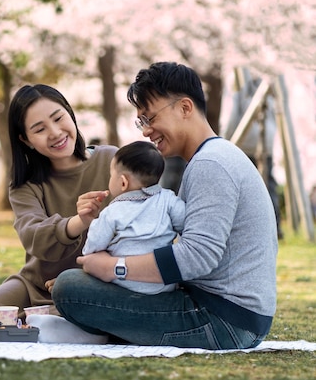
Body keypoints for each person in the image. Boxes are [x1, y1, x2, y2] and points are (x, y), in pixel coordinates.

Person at [52, 62, 278, 350]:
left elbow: (197, 257)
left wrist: (115, 268)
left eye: (150, 118)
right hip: (229, 314)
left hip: (223, 320)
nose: (146, 131)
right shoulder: (211, 158)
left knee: (71, 289)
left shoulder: (211, 164)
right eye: (141, 122)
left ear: (185, 107)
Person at [0, 84, 118, 318]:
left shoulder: (112, 160)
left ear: (70, 113)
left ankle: (48, 317)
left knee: (69, 315)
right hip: (37, 285)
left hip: (98, 284)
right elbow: (34, 237)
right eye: (39, 129)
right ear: (26, 140)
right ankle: (45, 316)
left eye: (58, 118)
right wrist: (79, 221)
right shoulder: (25, 183)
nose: (54, 132)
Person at [82, 140, 185, 294]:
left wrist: (89, 250)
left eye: (111, 175)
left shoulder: (112, 212)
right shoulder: (168, 199)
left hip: (123, 283)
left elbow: (93, 247)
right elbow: (187, 223)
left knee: (74, 280)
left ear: (123, 182)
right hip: (163, 285)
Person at [224, 73, 283, 238]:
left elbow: (232, 118)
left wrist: (226, 140)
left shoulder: (241, 92)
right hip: (267, 143)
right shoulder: (269, 92)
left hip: (245, 143)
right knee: (269, 184)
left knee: (247, 187)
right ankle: (276, 225)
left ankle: (253, 225)